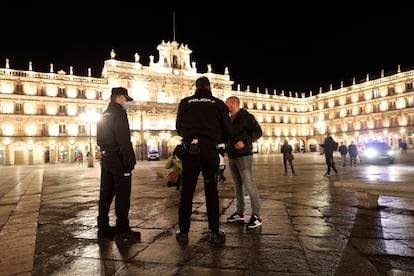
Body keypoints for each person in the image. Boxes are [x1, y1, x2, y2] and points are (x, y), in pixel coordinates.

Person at [175, 76, 233, 244]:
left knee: (186, 193)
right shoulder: (218, 103)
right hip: (209, 151)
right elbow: (228, 129)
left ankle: (184, 232)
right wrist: (215, 137)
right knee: (211, 191)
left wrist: (190, 135)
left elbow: (178, 128)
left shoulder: (185, 102)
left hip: (190, 152)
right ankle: (214, 232)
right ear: (209, 87)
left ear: (196, 87)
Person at [96, 87, 140, 243]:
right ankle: (122, 230)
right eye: (126, 100)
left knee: (106, 192)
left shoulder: (103, 114)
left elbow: (98, 140)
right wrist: (129, 160)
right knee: (123, 193)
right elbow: (123, 138)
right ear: (119, 98)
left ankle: (103, 228)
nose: (127, 103)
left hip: (106, 158)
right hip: (118, 159)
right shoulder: (119, 113)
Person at [225, 96, 263, 229]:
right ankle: (240, 212)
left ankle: (257, 215)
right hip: (232, 155)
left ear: (233, 103)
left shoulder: (247, 117)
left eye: (227, 103)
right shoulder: (229, 119)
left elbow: (258, 132)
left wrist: (245, 141)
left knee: (249, 185)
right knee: (237, 185)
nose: (226, 106)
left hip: (244, 155)